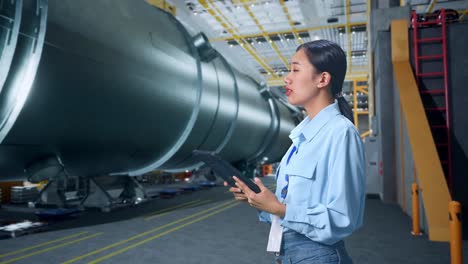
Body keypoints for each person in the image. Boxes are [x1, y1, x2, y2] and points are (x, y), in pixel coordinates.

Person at [226, 40, 366, 264]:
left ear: (323, 79)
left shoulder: (340, 133)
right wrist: (259, 200)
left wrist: (279, 208)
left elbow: (343, 218)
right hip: (288, 254)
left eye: (295, 69)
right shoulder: (300, 139)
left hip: (318, 256)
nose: (286, 78)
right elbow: (291, 207)